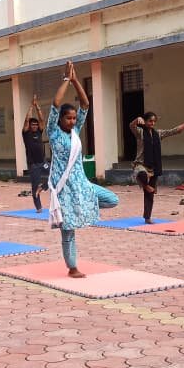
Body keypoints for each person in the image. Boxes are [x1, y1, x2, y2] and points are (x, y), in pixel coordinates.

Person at [48, 61, 119, 277]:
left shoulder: (75, 131)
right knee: (68, 232)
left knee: (112, 200)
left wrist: (76, 80)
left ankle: (85, 207)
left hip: (82, 185)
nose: (72, 121)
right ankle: (72, 268)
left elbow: (86, 104)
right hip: (64, 189)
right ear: (59, 119)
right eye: (68, 118)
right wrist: (65, 80)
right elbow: (55, 103)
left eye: (73, 118)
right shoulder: (53, 132)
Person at [130, 111, 184, 224]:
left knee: (150, 195)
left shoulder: (158, 133)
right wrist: (136, 120)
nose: (152, 123)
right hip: (141, 164)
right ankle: (146, 186)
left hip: (153, 167)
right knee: (142, 174)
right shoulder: (140, 132)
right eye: (150, 121)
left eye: (154, 121)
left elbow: (174, 131)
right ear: (145, 121)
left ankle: (147, 217)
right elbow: (131, 126)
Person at [21, 94, 48, 212]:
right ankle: (39, 207)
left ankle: (43, 187)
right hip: (33, 165)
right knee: (34, 186)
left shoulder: (39, 132)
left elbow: (42, 120)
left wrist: (37, 106)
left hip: (43, 162)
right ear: (30, 126)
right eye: (33, 125)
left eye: (36, 125)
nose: (35, 126)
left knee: (54, 175)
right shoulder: (26, 134)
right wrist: (31, 106)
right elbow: (26, 120)